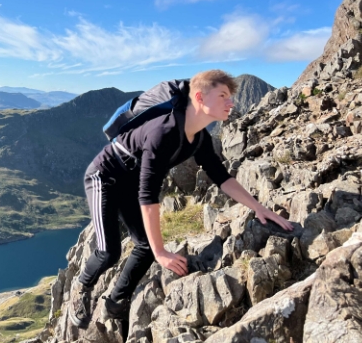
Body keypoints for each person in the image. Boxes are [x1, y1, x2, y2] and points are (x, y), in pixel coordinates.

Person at [69, 70, 293, 327]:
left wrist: (260, 209)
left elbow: (221, 177)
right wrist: (161, 251)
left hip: (130, 183)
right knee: (109, 251)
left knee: (144, 247)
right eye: (222, 96)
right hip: (104, 178)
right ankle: (82, 286)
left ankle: (115, 303)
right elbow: (148, 194)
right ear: (199, 97)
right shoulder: (163, 130)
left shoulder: (199, 138)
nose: (231, 103)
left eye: (230, 97)